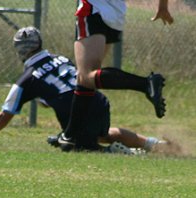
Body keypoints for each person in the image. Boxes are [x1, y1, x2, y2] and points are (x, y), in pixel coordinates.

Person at [0, 27, 166, 153]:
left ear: (19, 50)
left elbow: (4, 115)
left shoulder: (26, 79)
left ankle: (120, 153)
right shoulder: (61, 59)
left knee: (79, 149)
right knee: (101, 134)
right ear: (39, 43)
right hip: (98, 101)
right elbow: (67, 85)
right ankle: (153, 144)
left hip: (75, 110)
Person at [58, 0, 174, 148]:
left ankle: (145, 84)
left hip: (94, 8)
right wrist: (162, 7)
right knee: (86, 79)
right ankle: (71, 135)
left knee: (86, 76)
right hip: (115, 13)